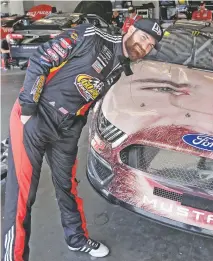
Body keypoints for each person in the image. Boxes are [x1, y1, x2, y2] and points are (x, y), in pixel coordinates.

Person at [2, 18, 163, 260]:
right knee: (23, 196)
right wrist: (28, 108)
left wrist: (78, 124)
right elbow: (41, 58)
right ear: (129, 29)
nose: (144, 46)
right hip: (36, 117)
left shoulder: (122, 65)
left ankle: (76, 239)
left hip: (67, 128)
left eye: (150, 45)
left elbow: (90, 97)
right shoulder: (92, 36)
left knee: (67, 188)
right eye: (142, 37)